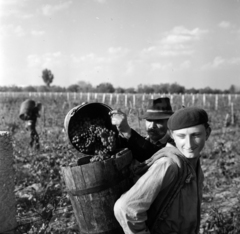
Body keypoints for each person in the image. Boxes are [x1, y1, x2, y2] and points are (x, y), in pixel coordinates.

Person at [114, 106, 212, 234]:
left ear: (208, 133)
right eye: (181, 136)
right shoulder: (169, 165)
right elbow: (126, 208)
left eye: (196, 135)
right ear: (172, 135)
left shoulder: (194, 164)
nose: (189, 144)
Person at [110, 97, 174, 163]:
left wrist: (127, 132)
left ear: (168, 122)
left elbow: (155, 154)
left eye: (158, 121)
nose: (152, 126)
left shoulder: (174, 145)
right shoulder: (145, 140)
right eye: (149, 120)